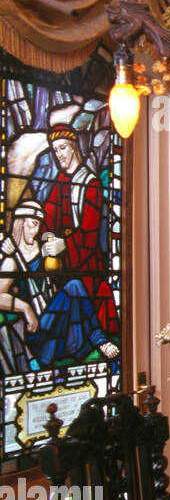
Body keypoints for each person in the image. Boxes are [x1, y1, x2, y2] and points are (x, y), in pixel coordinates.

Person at [0, 199, 118, 368]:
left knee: (74, 285)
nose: (36, 230)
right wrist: (24, 307)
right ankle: (99, 341)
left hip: (56, 322)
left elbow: (56, 278)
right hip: (37, 333)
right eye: (33, 224)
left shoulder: (40, 250)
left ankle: (98, 340)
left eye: (39, 225)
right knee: (74, 285)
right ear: (20, 223)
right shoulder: (12, 260)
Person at [40, 124, 119, 338]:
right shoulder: (61, 181)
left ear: (75, 147)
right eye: (55, 150)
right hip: (66, 261)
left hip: (87, 262)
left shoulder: (90, 183)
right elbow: (48, 215)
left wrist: (65, 244)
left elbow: (90, 231)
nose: (59, 155)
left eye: (63, 148)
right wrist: (48, 237)